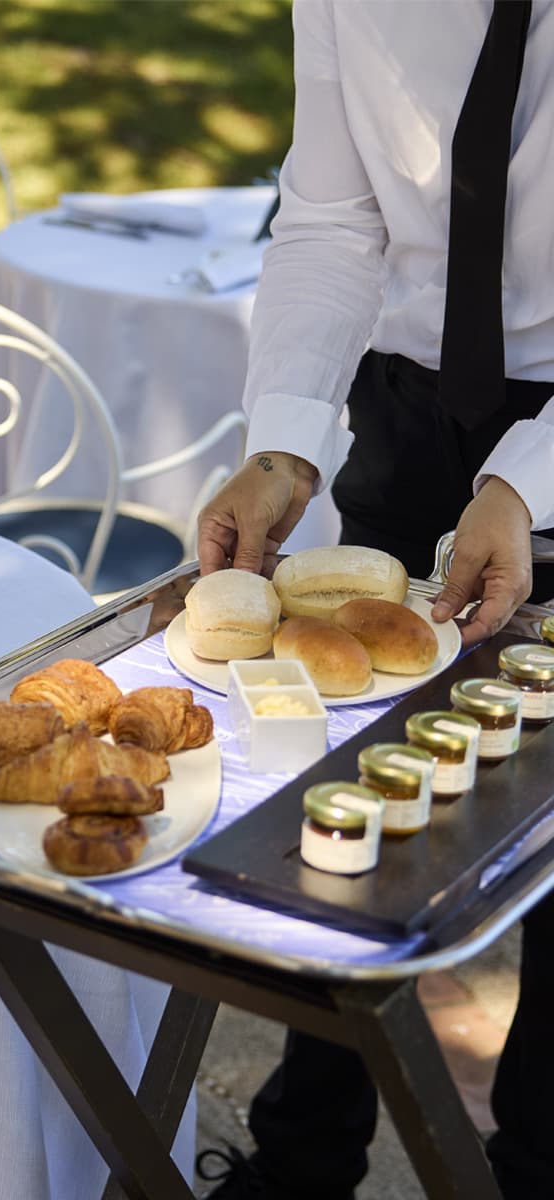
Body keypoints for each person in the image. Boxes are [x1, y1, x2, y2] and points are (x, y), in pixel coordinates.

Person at [193, 2, 554, 1198]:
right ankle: (300, 1161)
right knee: (349, 808)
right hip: (408, 407)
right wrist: (287, 440)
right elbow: (335, 216)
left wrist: (527, 480)